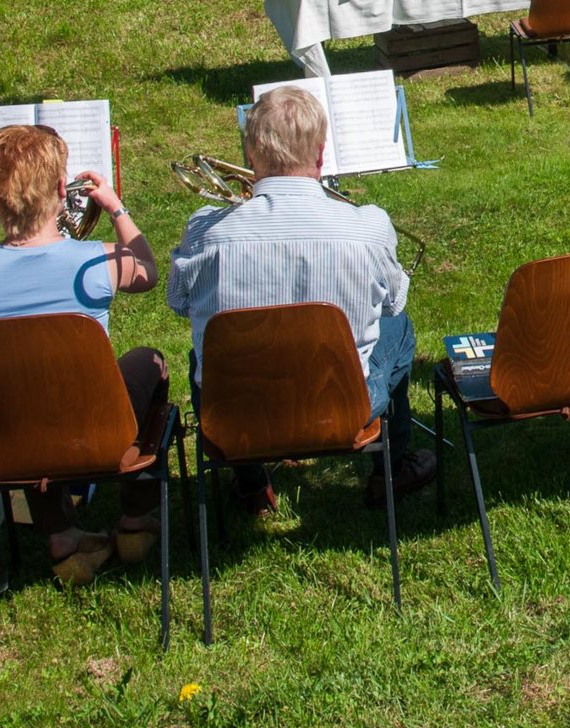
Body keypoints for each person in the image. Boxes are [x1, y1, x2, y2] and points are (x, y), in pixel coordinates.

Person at [168, 88, 436, 512]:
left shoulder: (205, 228)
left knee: (207, 351)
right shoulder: (369, 226)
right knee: (398, 329)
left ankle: (251, 483)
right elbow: (393, 303)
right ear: (321, 153)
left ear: (251, 151)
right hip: (344, 404)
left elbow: (178, 301)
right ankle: (392, 468)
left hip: (233, 413)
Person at [0, 126, 162, 586]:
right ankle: (137, 520)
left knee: (19, 391)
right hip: (97, 428)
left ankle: (61, 534)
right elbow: (148, 271)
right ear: (63, 190)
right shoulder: (99, 260)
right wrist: (115, 208)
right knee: (149, 360)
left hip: (13, 439)